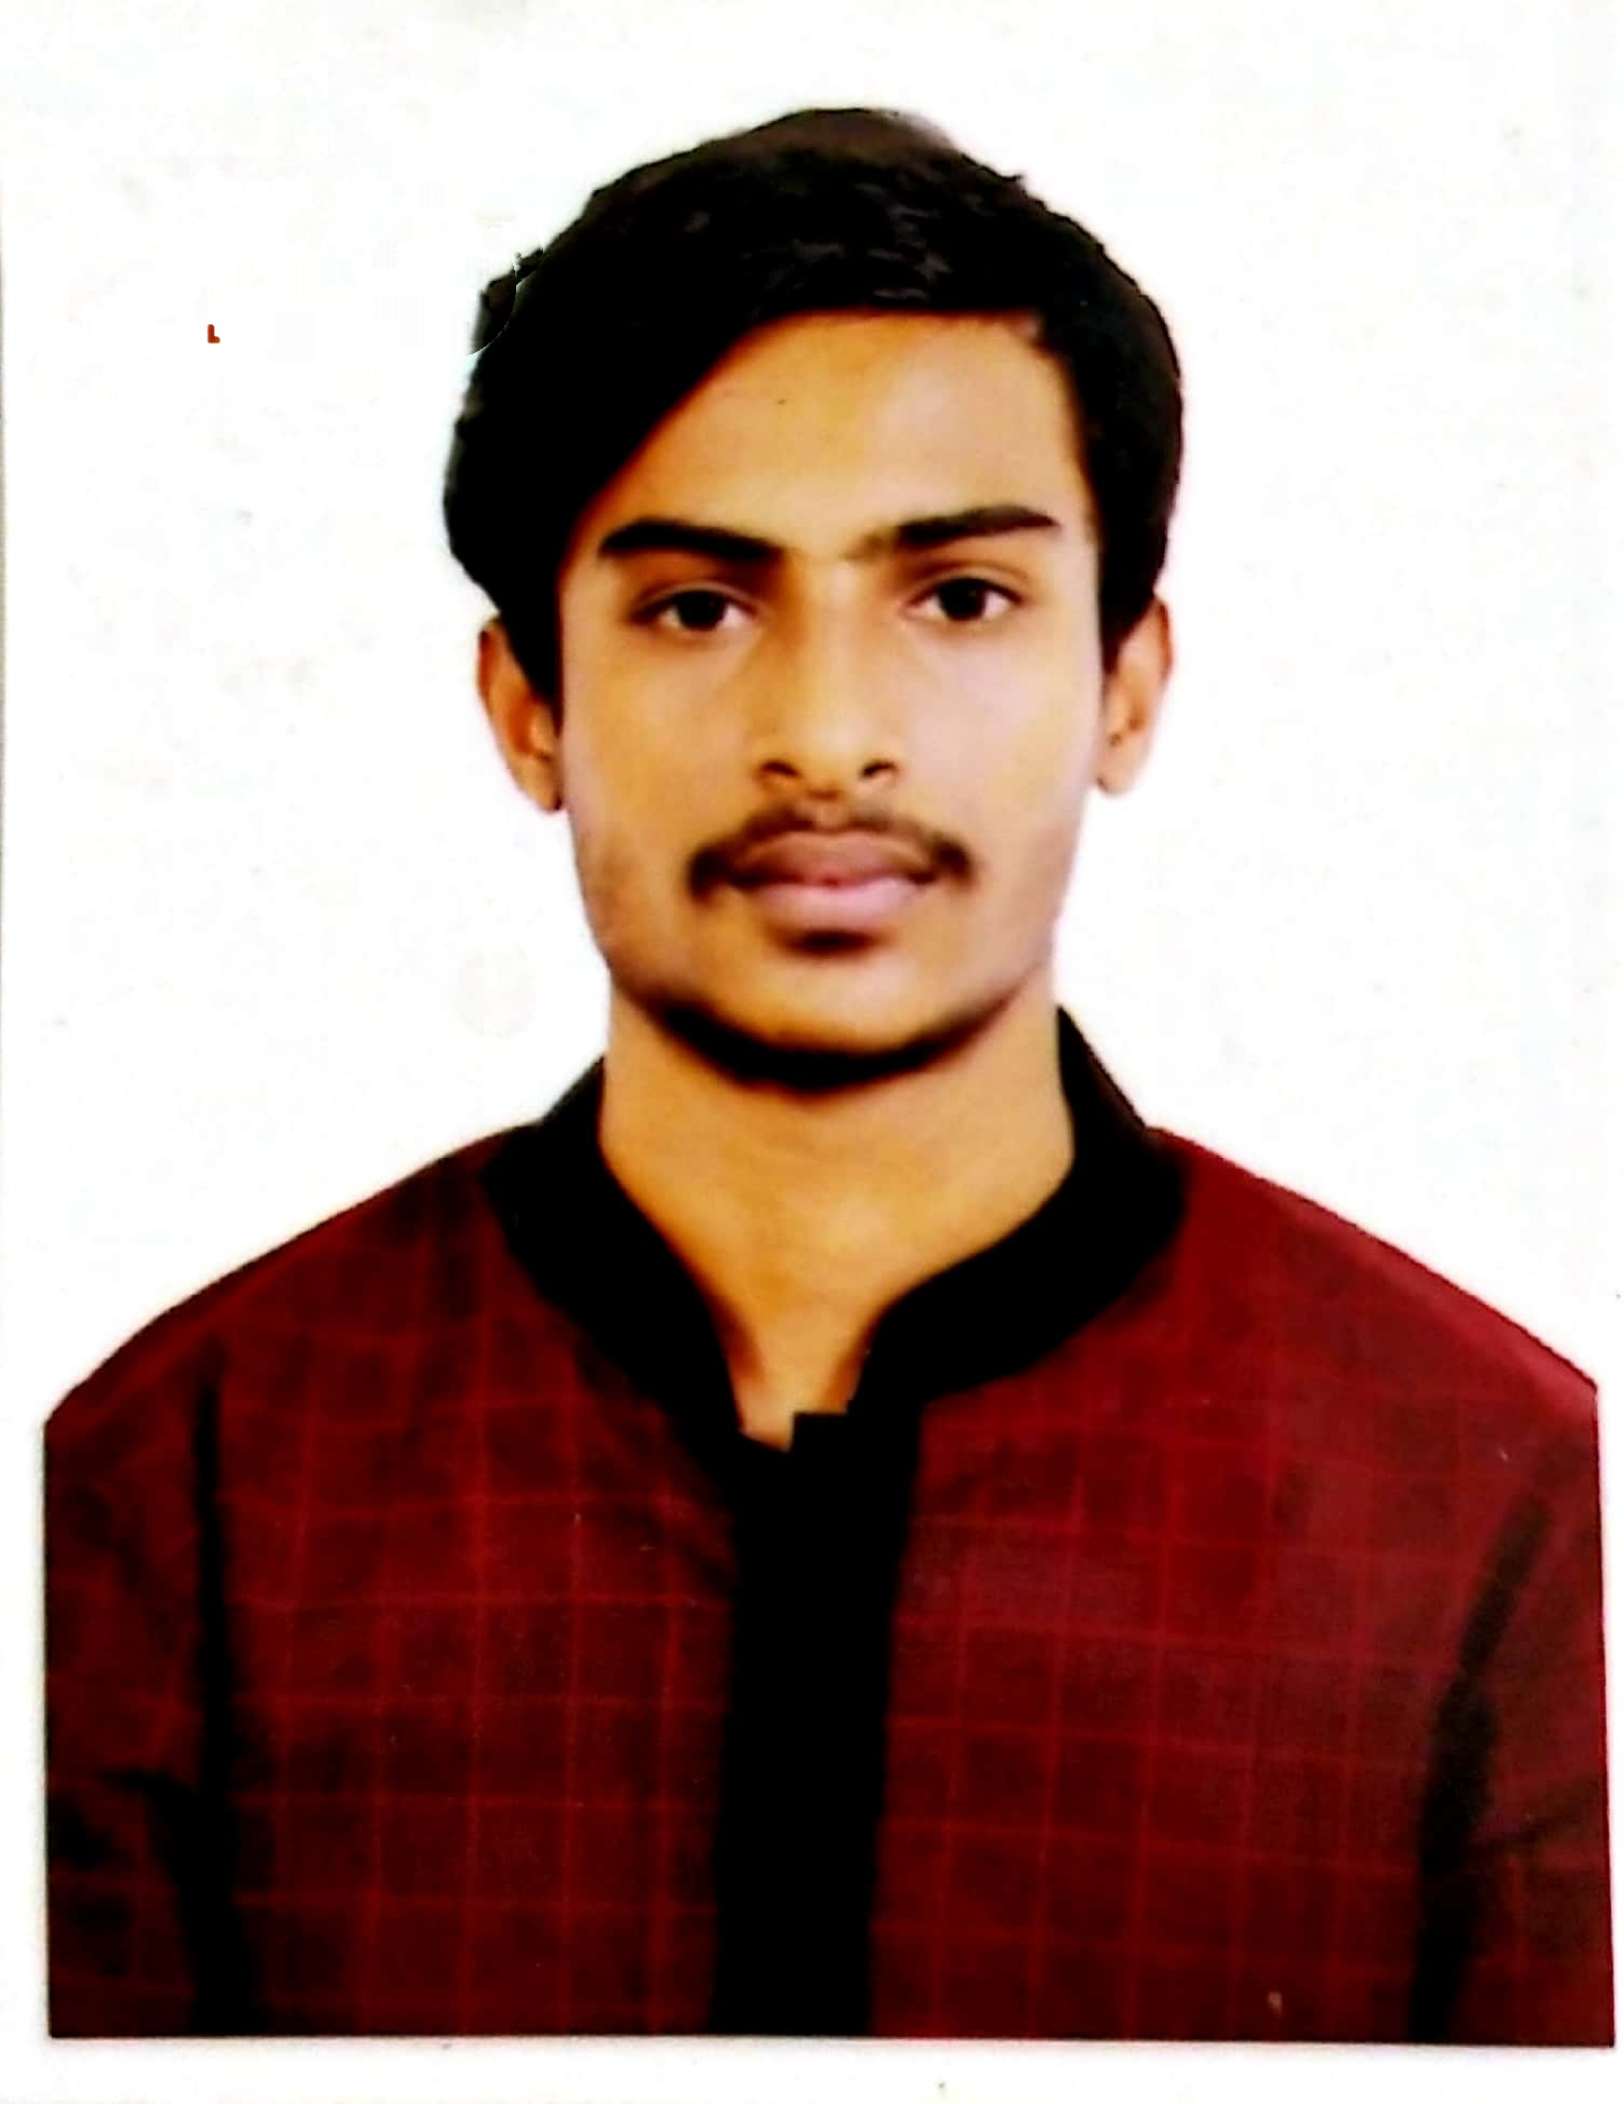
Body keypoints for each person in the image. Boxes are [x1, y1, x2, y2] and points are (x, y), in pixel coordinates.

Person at [45, 107, 1611, 2045]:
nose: (829, 734)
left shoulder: (1497, 1510)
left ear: (1124, 682)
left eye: (956, 598)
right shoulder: (173, 1497)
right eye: (699, 607)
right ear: (528, 706)